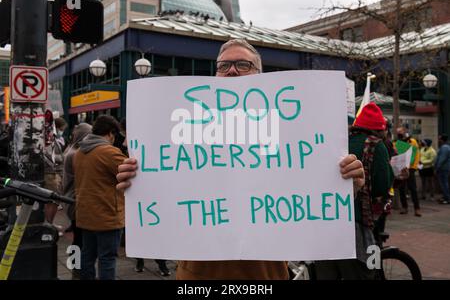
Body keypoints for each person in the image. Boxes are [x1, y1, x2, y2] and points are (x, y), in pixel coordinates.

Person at [116, 38, 365, 280]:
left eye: (243, 65)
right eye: (223, 66)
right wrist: (136, 182)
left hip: (265, 274)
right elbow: (166, 189)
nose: (232, 71)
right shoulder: (184, 131)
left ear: (260, 75)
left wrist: (345, 185)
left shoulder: (288, 130)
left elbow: (311, 194)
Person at [315, 103, 394, 280]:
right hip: (356, 224)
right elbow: (382, 186)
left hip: (325, 223)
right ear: (380, 129)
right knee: (361, 272)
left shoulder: (338, 142)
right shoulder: (377, 145)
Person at [74, 115, 127, 280]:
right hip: (107, 215)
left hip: (85, 214)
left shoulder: (80, 151)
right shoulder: (109, 152)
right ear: (110, 133)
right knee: (107, 259)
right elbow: (132, 173)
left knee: (87, 256)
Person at [118, 118, 171, 276]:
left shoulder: (156, 144)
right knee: (144, 232)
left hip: (153, 197)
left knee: (153, 232)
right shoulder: (125, 148)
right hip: (140, 198)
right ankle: (146, 262)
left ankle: (159, 264)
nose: (125, 143)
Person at [62, 122, 92, 279]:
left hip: (70, 200)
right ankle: (76, 270)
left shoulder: (70, 149)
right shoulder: (76, 153)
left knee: (77, 239)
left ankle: (76, 270)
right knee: (79, 240)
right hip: (75, 201)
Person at [43, 111, 66, 228]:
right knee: (52, 201)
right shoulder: (48, 139)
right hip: (51, 173)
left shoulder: (54, 138)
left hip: (55, 172)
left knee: (54, 201)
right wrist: (62, 158)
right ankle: (49, 224)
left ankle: (50, 223)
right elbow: (47, 155)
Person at [395, 127, 421, 217]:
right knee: (401, 189)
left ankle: (417, 208)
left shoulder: (412, 141)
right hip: (401, 168)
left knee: (413, 188)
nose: (400, 133)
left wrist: (414, 167)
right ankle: (404, 207)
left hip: (410, 168)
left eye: (401, 132)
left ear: (405, 132)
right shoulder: (396, 142)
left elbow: (417, 154)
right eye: (398, 132)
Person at [435, 134, 450, 204]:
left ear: (442, 140)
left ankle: (447, 198)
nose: (438, 140)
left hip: (443, 168)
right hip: (444, 168)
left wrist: (437, 167)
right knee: (444, 183)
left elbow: (442, 159)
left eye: (439, 139)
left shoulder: (444, 148)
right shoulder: (445, 147)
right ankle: (445, 196)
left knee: (444, 183)